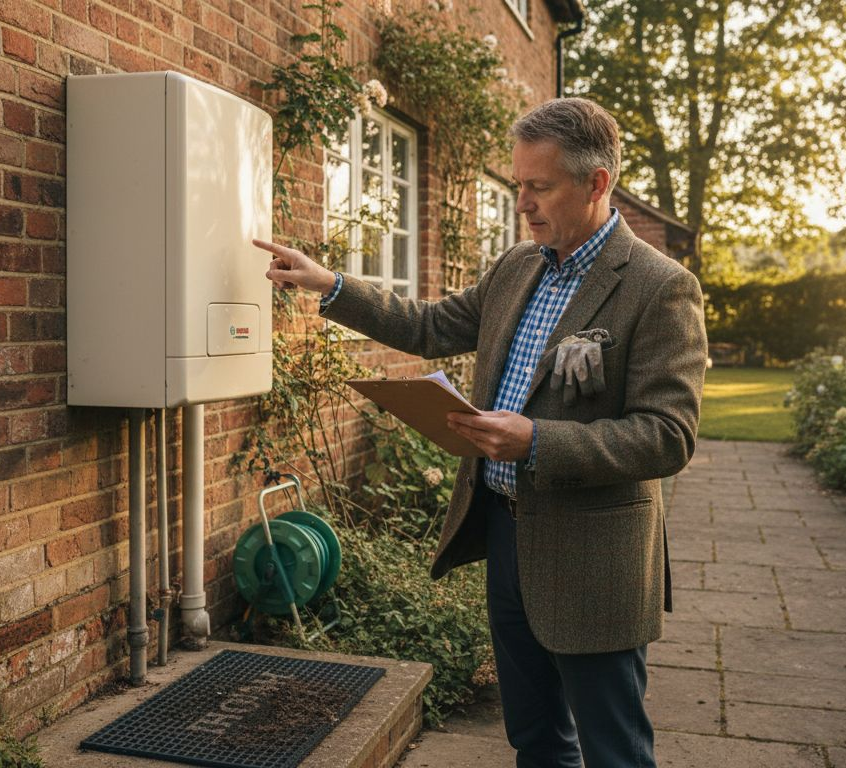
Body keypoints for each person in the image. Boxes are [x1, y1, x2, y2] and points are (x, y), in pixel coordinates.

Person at [257, 97, 706, 768]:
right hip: (505, 534)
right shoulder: (517, 267)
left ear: (596, 183)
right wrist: (332, 286)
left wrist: (537, 442)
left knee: (615, 751)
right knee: (535, 739)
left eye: (538, 186)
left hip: (594, 559)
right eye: (519, 184)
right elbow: (431, 326)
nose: (522, 202)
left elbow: (669, 435)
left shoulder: (660, 287)